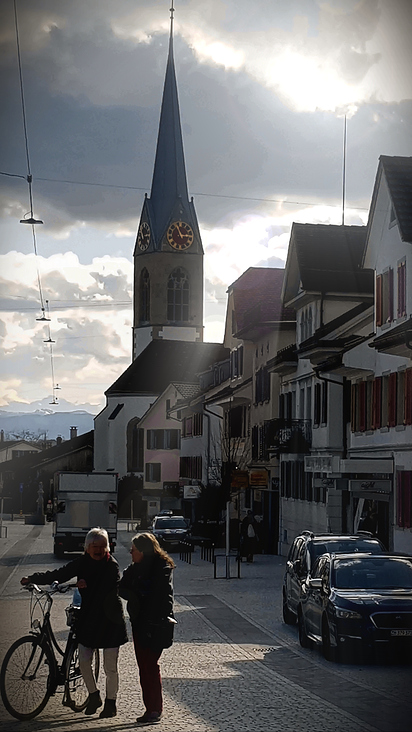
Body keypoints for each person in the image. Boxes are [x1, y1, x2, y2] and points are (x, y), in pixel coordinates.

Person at [21, 527, 127, 719]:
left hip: (110, 621)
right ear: (87, 548)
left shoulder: (112, 565)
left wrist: (85, 584)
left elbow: (106, 588)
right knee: (84, 661)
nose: (99, 550)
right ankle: (94, 696)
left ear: (108, 548)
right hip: (89, 619)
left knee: (110, 667)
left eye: (103, 546)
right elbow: (61, 573)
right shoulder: (82, 562)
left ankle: (111, 703)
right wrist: (34, 578)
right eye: (95, 546)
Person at [119, 532, 176, 726]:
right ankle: (149, 708)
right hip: (139, 623)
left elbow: (160, 596)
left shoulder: (162, 568)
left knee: (150, 666)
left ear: (142, 551)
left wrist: (137, 592)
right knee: (144, 666)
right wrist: (135, 592)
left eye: (133, 550)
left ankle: (155, 709)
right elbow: (122, 587)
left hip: (155, 624)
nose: (130, 552)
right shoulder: (135, 568)